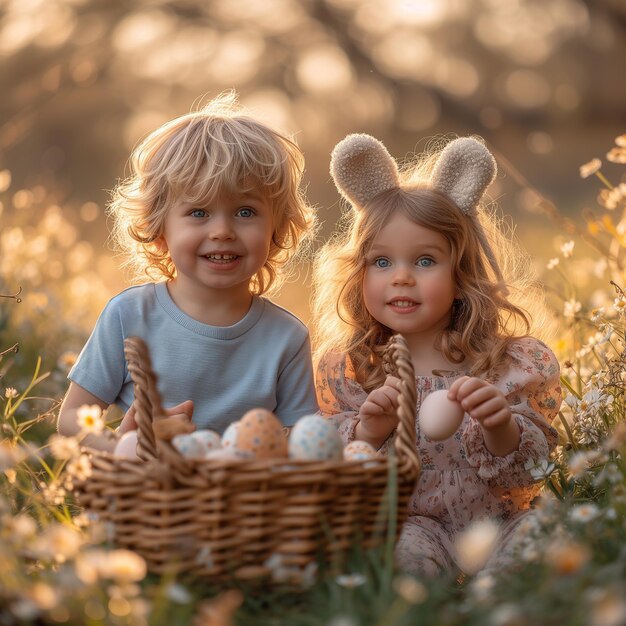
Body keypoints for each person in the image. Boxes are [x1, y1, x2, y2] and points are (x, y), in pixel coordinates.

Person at [311, 133, 561, 576]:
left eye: (425, 261)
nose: (402, 277)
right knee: (400, 558)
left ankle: (502, 601)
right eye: (381, 262)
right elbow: (331, 473)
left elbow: (531, 471)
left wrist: (500, 425)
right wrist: (368, 430)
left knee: (545, 541)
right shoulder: (355, 371)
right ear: (359, 272)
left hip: (502, 521)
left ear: (461, 272)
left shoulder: (507, 365)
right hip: (409, 524)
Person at [57, 91, 319, 451]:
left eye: (245, 211)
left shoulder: (287, 338)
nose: (222, 231)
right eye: (199, 212)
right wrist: (124, 447)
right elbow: (72, 419)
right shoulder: (129, 314)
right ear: (159, 229)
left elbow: (303, 444)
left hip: (246, 504)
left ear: (276, 229)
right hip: (145, 499)